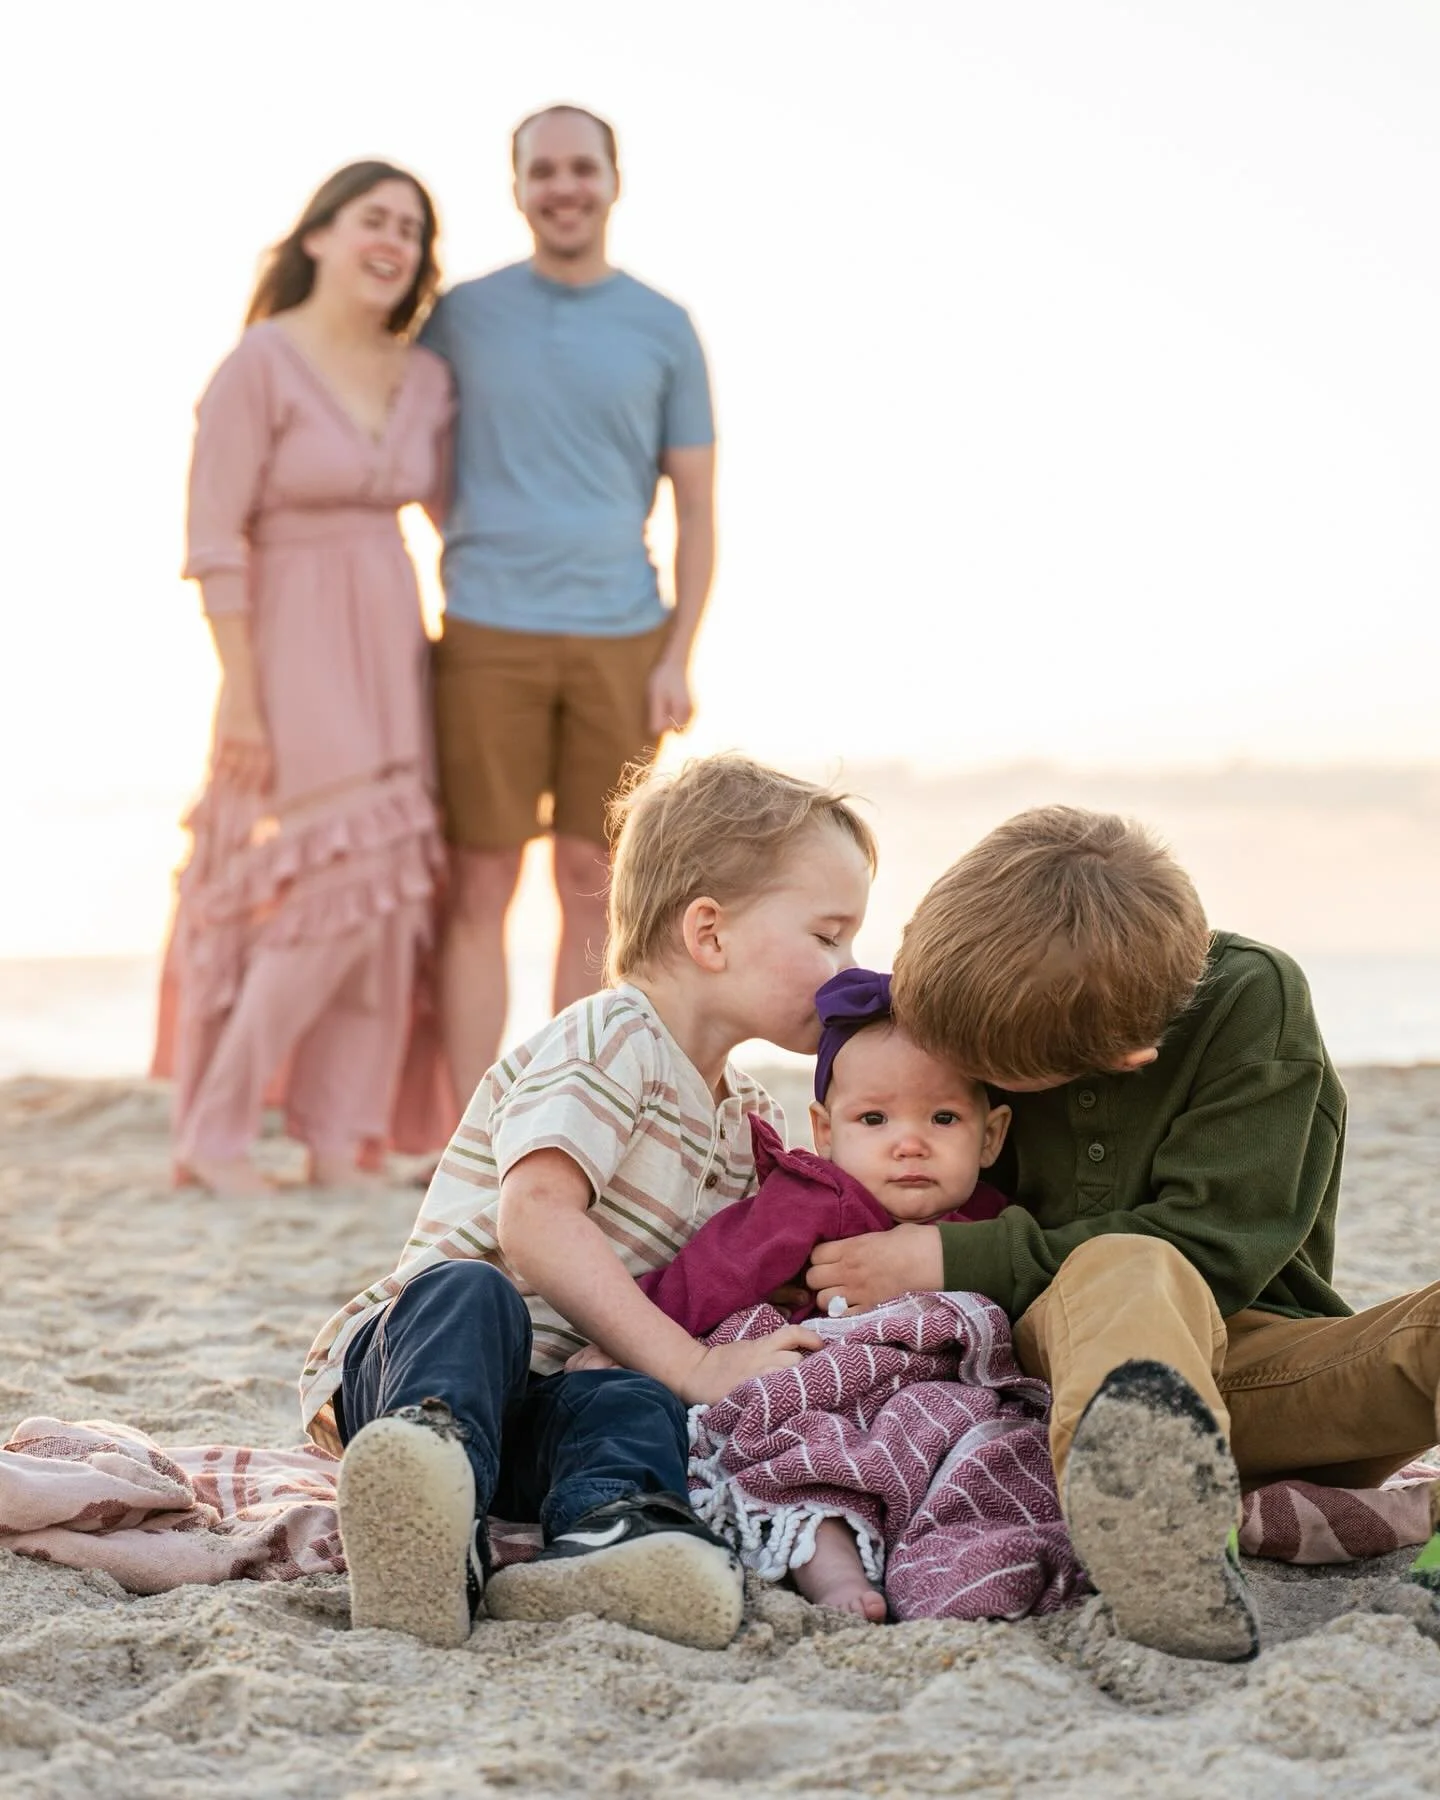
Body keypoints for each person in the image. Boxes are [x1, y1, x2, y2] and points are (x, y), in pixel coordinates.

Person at [800, 804, 1440, 1662]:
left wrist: (952, 1256)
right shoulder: (972, 993)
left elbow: (1215, 1245)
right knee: (1122, 1268)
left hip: (1256, 1383)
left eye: (992, 1075)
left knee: (1141, 1264)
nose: (964, 1072)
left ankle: (1161, 1493)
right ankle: (1157, 1532)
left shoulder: (1254, 1003)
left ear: (1127, 1056)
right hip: (1031, 1390)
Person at [299, 754, 876, 1651]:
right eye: (829, 936)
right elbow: (533, 1220)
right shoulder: (612, 1038)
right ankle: (422, 1486)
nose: (849, 970)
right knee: (474, 1294)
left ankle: (609, 1537)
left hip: (546, 1411)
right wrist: (693, 1365)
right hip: (426, 1366)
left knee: (632, 1401)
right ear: (710, 934)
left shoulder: (749, 1118)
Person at [152, 161, 456, 1196]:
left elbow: (459, 514)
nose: (394, 242)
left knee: (390, 904)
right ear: (317, 235)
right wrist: (240, 691)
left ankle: (340, 1140)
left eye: (412, 229)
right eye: (375, 219)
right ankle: (216, 1133)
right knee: (334, 893)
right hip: (288, 645)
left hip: (394, 638)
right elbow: (212, 541)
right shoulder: (260, 364)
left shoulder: (425, 377)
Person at [421, 103, 718, 1110]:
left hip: (622, 636)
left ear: (613, 181)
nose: (564, 187)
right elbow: (408, 444)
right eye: (542, 170)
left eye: (581, 168)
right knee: (480, 880)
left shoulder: (663, 325)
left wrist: (677, 653)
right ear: (517, 188)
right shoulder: (461, 315)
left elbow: (697, 508)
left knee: (595, 882)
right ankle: (468, 1126)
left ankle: (563, 1116)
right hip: (484, 632)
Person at [633, 965, 1012, 1621]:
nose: (910, 1143)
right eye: (875, 1118)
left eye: (944, 1117)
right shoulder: (817, 1200)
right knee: (807, 1453)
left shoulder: (998, 1224)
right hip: (827, 1384)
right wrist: (631, 1336)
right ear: (826, 1131)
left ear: (992, 1135)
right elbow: (718, 1269)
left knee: (992, 1452)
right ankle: (835, 1575)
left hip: (931, 1403)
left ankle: (955, 1569)